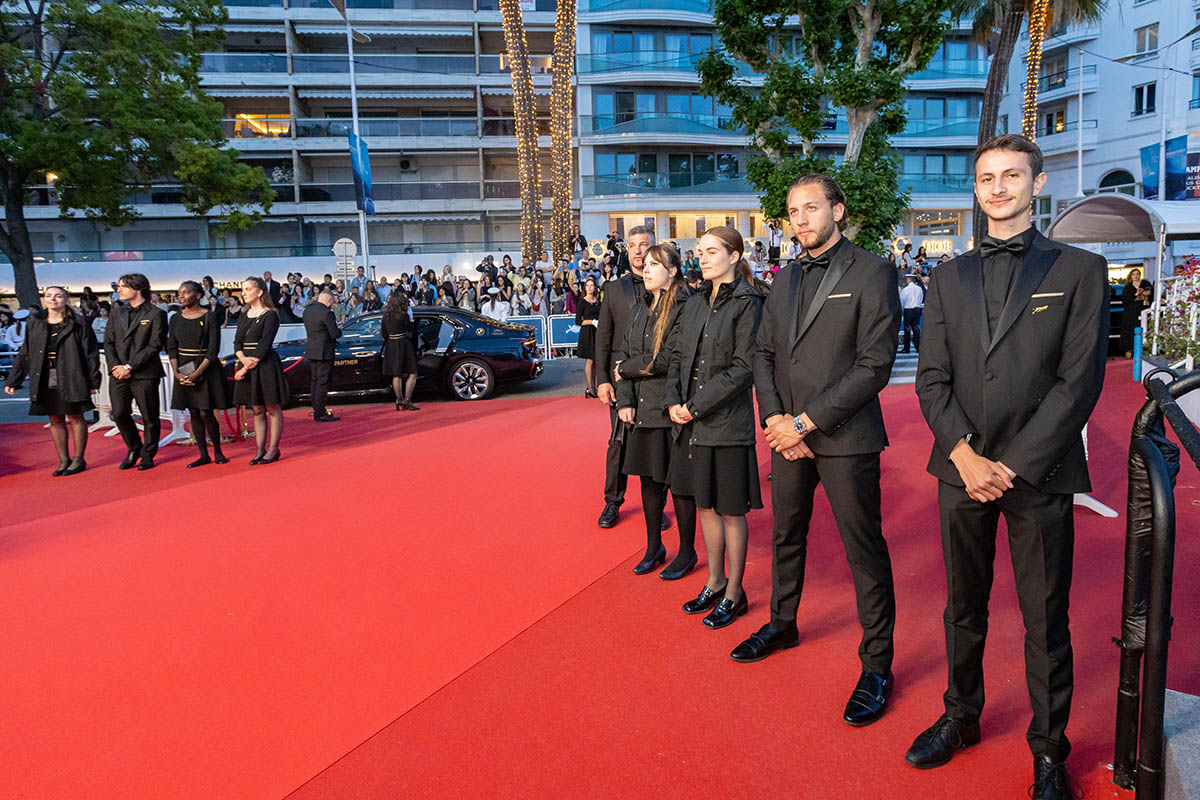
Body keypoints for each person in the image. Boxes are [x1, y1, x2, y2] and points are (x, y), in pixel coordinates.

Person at [907, 135, 1110, 800]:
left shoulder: (1080, 269)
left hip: (1040, 474)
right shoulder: (947, 276)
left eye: (1011, 176)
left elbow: (1078, 384)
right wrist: (965, 456)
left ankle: (1049, 751)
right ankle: (961, 716)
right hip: (960, 470)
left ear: (1037, 183)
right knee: (962, 607)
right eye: (986, 177)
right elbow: (932, 378)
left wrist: (1012, 466)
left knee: (1045, 618)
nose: (997, 188)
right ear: (975, 188)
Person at [733, 174, 902, 732]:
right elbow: (762, 353)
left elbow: (874, 365)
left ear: (838, 210)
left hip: (845, 436)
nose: (800, 219)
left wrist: (804, 422)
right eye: (793, 211)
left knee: (863, 549)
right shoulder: (783, 279)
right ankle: (783, 623)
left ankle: (876, 665)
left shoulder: (874, 271)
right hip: (786, 434)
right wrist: (776, 420)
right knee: (786, 535)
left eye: (811, 208)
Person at [665, 226, 764, 629]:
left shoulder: (749, 302)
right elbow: (676, 356)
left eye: (711, 252)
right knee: (704, 504)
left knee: (730, 510)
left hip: (726, 423)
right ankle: (715, 581)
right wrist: (673, 401)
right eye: (699, 252)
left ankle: (735, 592)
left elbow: (743, 369)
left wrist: (694, 407)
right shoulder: (694, 302)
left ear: (734, 256)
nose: (702, 258)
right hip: (691, 420)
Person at [614, 244, 696, 579]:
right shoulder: (641, 307)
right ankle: (654, 547)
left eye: (654, 264)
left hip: (670, 407)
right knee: (648, 483)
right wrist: (625, 400)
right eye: (645, 264)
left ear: (672, 271)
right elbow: (623, 353)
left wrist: (625, 370)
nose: (646, 269)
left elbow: (665, 360)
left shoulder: (684, 306)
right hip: (642, 408)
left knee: (679, 485)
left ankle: (687, 551)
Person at [594, 226, 657, 528]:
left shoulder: (669, 286)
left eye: (644, 244)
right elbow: (603, 337)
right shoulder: (614, 289)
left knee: (654, 443)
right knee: (618, 441)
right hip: (620, 378)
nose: (638, 250)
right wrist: (602, 380)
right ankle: (612, 501)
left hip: (657, 376)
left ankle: (654, 506)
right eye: (632, 245)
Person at [4, 286, 100, 475]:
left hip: (72, 373)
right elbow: (25, 353)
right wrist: (13, 379)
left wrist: (93, 381)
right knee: (54, 417)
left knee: (75, 415)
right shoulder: (35, 323)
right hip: (44, 374)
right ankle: (63, 460)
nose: (52, 299)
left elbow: (91, 353)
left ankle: (78, 459)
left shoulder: (78, 322)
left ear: (65, 299)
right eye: (48, 296)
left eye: (57, 296)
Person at [104, 273, 168, 471]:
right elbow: (108, 342)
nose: (119, 290)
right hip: (118, 373)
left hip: (145, 372)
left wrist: (129, 366)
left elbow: (155, 345)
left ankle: (148, 453)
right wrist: (116, 367)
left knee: (150, 416)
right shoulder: (117, 312)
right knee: (119, 413)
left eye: (123, 286)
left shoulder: (156, 313)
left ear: (137, 288)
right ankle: (134, 448)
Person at [167, 281, 231, 468]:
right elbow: (171, 347)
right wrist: (176, 373)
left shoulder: (210, 316)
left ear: (198, 295)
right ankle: (203, 454)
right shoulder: (176, 318)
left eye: (187, 292)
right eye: (179, 292)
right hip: (183, 369)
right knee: (193, 411)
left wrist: (197, 373)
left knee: (206, 411)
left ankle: (217, 451)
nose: (182, 296)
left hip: (206, 368)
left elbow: (213, 349)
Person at [233, 276, 289, 465]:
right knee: (256, 408)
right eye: (243, 289)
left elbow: (265, 344)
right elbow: (237, 342)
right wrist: (242, 359)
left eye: (248, 289)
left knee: (272, 407)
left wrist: (245, 368)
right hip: (247, 363)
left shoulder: (271, 315)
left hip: (265, 365)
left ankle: (273, 449)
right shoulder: (244, 314)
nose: (244, 293)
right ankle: (259, 449)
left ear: (259, 292)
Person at [303, 290, 342, 423]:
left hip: (312, 350)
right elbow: (334, 334)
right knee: (322, 383)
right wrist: (340, 329)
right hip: (324, 352)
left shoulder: (307, 311)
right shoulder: (327, 313)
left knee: (315, 381)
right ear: (329, 300)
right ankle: (320, 412)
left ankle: (317, 409)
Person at [382, 290, 419, 411]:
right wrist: (412, 320)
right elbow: (410, 328)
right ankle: (408, 400)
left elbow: (383, 333)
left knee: (396, 373)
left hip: (391, 344)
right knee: (412, 372)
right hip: (403, 343)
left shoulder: (386, 316)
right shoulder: (403, 315)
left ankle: (399, 399)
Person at [575, 277, 601, 398]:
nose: (590, 288)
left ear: (595, 287)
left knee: (595, 360)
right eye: (587, 285)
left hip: (597, 332)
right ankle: (589, 388)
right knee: (589, 360)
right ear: (585, 288)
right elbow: (578, 321)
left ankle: (594, 387)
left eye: (592, 285)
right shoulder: (582, 302)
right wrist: (591, 322)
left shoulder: (598, 302)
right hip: (587, 332)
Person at [1120, 267, 1153, 358]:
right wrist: (1136, 294)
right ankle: (1128, 350)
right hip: (1131, 313)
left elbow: (1151, 294)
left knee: (1145, 328)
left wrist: (1147, 294)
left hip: (1144, 309)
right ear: (1131, 276)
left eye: (1137, 274)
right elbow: (1125, 300)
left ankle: (1146, 349)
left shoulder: (1145, 284)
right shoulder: (1128, 287)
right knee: (1129, 331)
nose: (1136, 276)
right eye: (1134, 274)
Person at [900, 273, 925, 353]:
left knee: (907, 329)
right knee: (916, 329)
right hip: (917, 309)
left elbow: (902, 300)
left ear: (908, 280)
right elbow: (921, 298)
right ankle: (918, 347)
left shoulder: (906, 289)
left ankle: (906, 348)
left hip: (908, 309)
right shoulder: (919, 288)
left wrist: (902, 308)